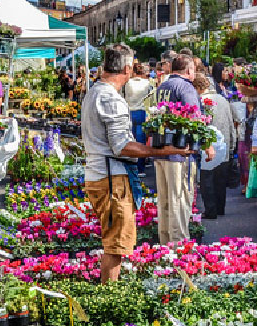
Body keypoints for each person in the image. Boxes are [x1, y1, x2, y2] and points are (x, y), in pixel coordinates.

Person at [83, 44, 193, 282]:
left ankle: (108, 293)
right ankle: (109, 298)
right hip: (112, 178)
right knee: (116, 246)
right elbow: (122, 146)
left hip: (100, 173)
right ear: (126, 67)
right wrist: (163, 151)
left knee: (115, 242)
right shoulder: (110, 98)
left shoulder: (94, 91)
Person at [154, 54, 215, 243]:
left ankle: (165, 245)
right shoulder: (186, 87)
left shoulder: (162, 86)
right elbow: (195, 119)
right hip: (180, 152)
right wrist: (208, 146)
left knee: (164, 202)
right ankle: (179, 247)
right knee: (179, 200)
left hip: (161, 150)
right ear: (189, 70)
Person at [193, 73, 236, 219]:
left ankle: (210, 210)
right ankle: (220, 207)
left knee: (207, 179)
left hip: (209, 145)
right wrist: (232, 144)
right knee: (220, 179)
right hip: (224, 143)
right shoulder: (223, 100)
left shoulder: (201, 101)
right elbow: (231, 123)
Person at [123, 62, 153, 175]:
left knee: (129, 140)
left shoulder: (127, 83)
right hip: (142, 112)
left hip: (129, 111)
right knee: (140, 141)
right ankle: (140, 168)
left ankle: (130, 167)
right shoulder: (148, 84)